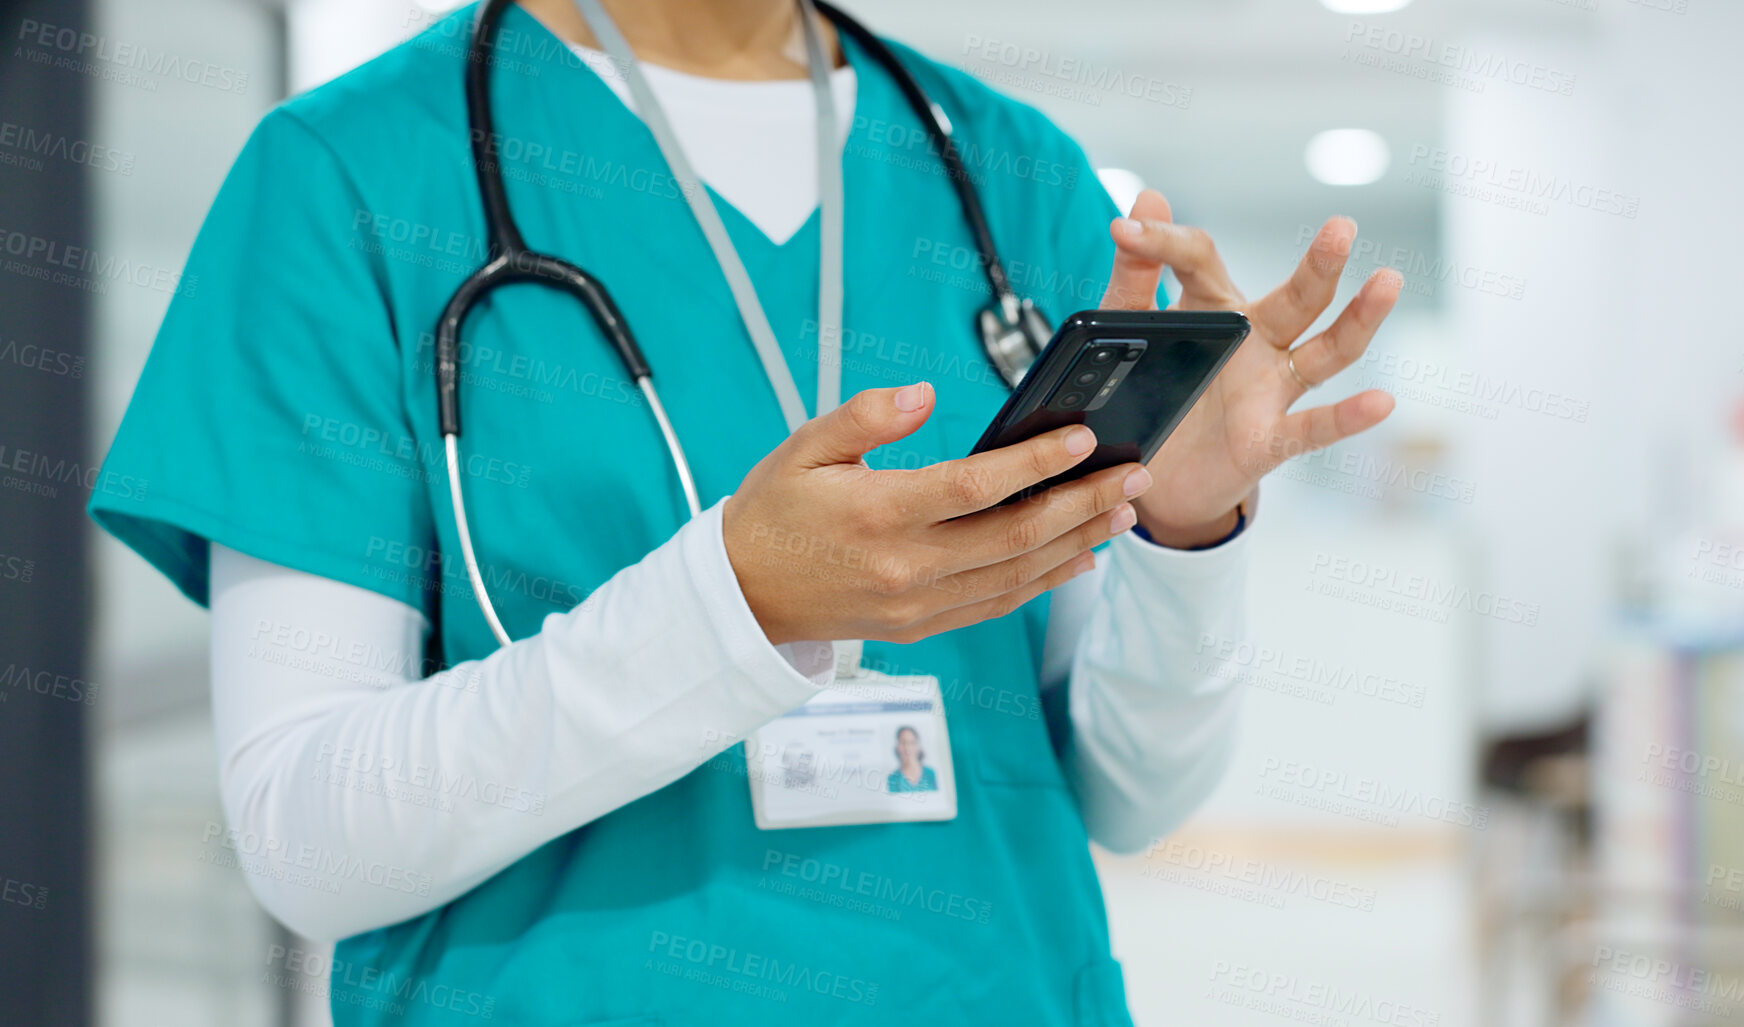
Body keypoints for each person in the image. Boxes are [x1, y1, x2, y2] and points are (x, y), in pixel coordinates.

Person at [89, 0, 1401, 1022]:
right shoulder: (350, 176)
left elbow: (1124, 792)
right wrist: (736, 604)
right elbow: (308, 839)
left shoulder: (1010, 176)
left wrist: (1180, 538)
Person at [888, 725, 937, 793]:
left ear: (918, 746)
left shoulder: (932, 774)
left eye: (912, 743)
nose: (907, 748)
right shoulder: (893, 779)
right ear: (897, 747)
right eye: (903, 743)